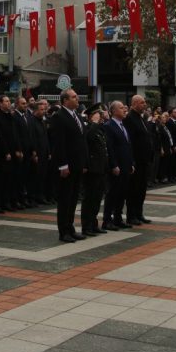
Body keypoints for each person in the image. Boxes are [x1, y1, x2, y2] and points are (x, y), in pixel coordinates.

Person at [50, 89, 89, 243]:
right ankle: (63, 231)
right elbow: (59, 143)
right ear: (65, 100)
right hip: (67, 165)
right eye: (73, 97)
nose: (77, 99)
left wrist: (85, 162)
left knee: (73, 199)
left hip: (78, 164)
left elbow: (82, 141)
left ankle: (71, 228)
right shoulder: (59, 117)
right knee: (65, 199)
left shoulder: (77, 116)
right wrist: (63, 165)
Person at [103, 101, 134, 231]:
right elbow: (110, 148)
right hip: (117, 166)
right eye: (121, 108)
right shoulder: (109, 126)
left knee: (122, 193)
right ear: (114, 111)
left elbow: (127, 146)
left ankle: (118, 218)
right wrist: (113, 165)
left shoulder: (123, 125)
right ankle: (107, 220)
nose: (125, 110)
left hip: (126, 165)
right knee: (113, 193)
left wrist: (131, 163)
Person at [124, 95, 153, 226]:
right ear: (134, 103)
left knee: (142, 189)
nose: (144, 105)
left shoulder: (141, 118)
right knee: (133, 189)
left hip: (144, 160)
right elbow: (131, 141)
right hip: (136, 160)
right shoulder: (130, 118)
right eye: (142, 103)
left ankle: (139, 213)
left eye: (144, 102)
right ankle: (131, 215)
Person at [81, 108, 108, 236]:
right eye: (98, 114)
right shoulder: (87, 127)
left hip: (101, 168)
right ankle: (86, 226)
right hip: (92, 169)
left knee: (97, 198)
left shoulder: (98, 128)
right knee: (89, 199)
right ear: (91, 116)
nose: (101, 116)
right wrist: (95, 122)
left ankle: (94, 224)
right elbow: (89, 139)